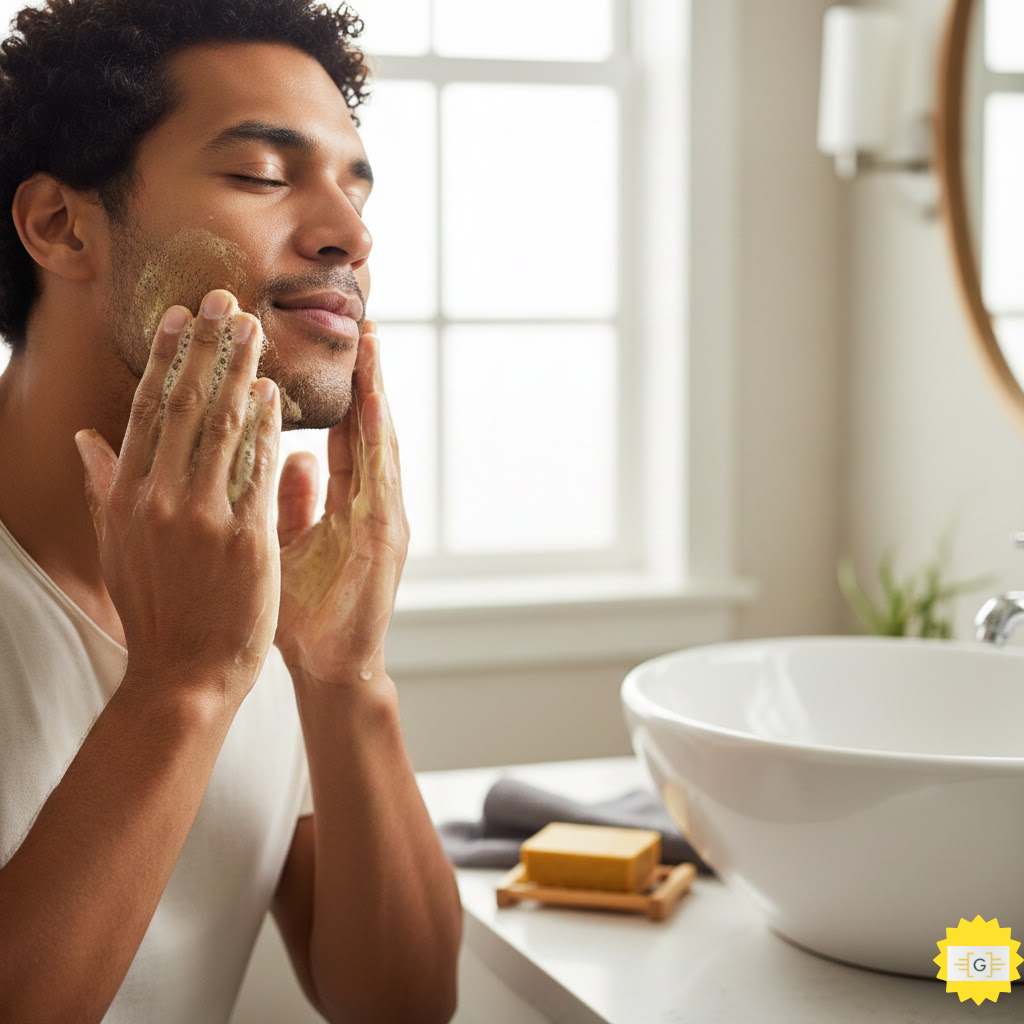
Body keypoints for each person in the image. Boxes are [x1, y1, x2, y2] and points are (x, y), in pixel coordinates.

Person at [0, 1, 463, 1021]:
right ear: (60, 225)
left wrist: (348, 678)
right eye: (260, 174)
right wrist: (184, 680)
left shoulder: (254, 569)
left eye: (354, 184)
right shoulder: (196, 625)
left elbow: (399, 1006)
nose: (350, 233)